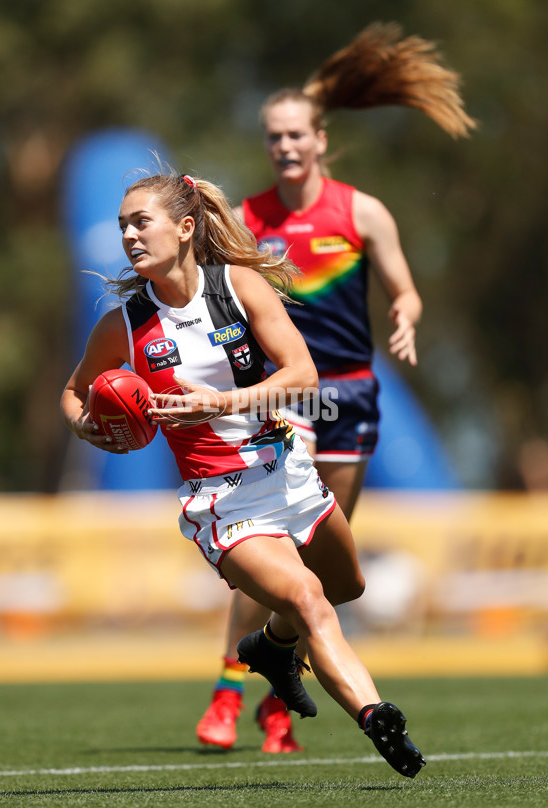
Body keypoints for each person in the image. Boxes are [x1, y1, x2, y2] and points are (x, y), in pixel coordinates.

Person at [60, 171, 426, 779]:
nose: (128, 234)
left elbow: (303, 379)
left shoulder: (238, 286)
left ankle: (272, 650)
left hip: (286, 474)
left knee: (345, 586)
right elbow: (75, 392)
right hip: (221, 502)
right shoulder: (123, 325)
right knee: (309, 599)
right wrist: (85, 425)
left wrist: (220, 403)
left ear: (184, 228)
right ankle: (376, 716)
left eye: (140, 221)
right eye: (123, 224)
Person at [196, 21, 477, 753]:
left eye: (296, 135)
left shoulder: (361, 212)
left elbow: (407, 291)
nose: (285, 147)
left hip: (349, 395)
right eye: (273, 137)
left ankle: (275, 682)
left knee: (325, 562)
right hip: (283, 399)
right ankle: (234, 694)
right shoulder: (248, 223)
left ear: (321, 140)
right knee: (271, 556)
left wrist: (405, 317)